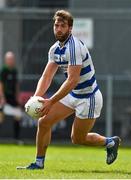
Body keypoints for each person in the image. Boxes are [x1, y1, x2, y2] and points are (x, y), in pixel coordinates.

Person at [17, 10, 121, 170]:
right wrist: (36, 97)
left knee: (77, 139)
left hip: (88, 98)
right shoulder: (54, 49)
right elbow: (46, 77)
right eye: (56, 25)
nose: (58, 29)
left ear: (70, 28)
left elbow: (72, 80)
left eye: (63, 26)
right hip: (72, 94)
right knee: (44, 122)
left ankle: (110, 142)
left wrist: (51, 101)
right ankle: (38, 163)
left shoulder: (74, 47)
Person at [0, 51, 22, 142]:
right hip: (4, 97)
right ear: (6, 60)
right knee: (1, 117)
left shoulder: (14, 71)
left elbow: (16, 85)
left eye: (12, 59)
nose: (11, 60)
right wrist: (2, 98)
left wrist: (18, 96)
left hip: (13, 97)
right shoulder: (3, 70)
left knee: (18, 115)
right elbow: (0, 84)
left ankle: (16, 139)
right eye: (9, 59)